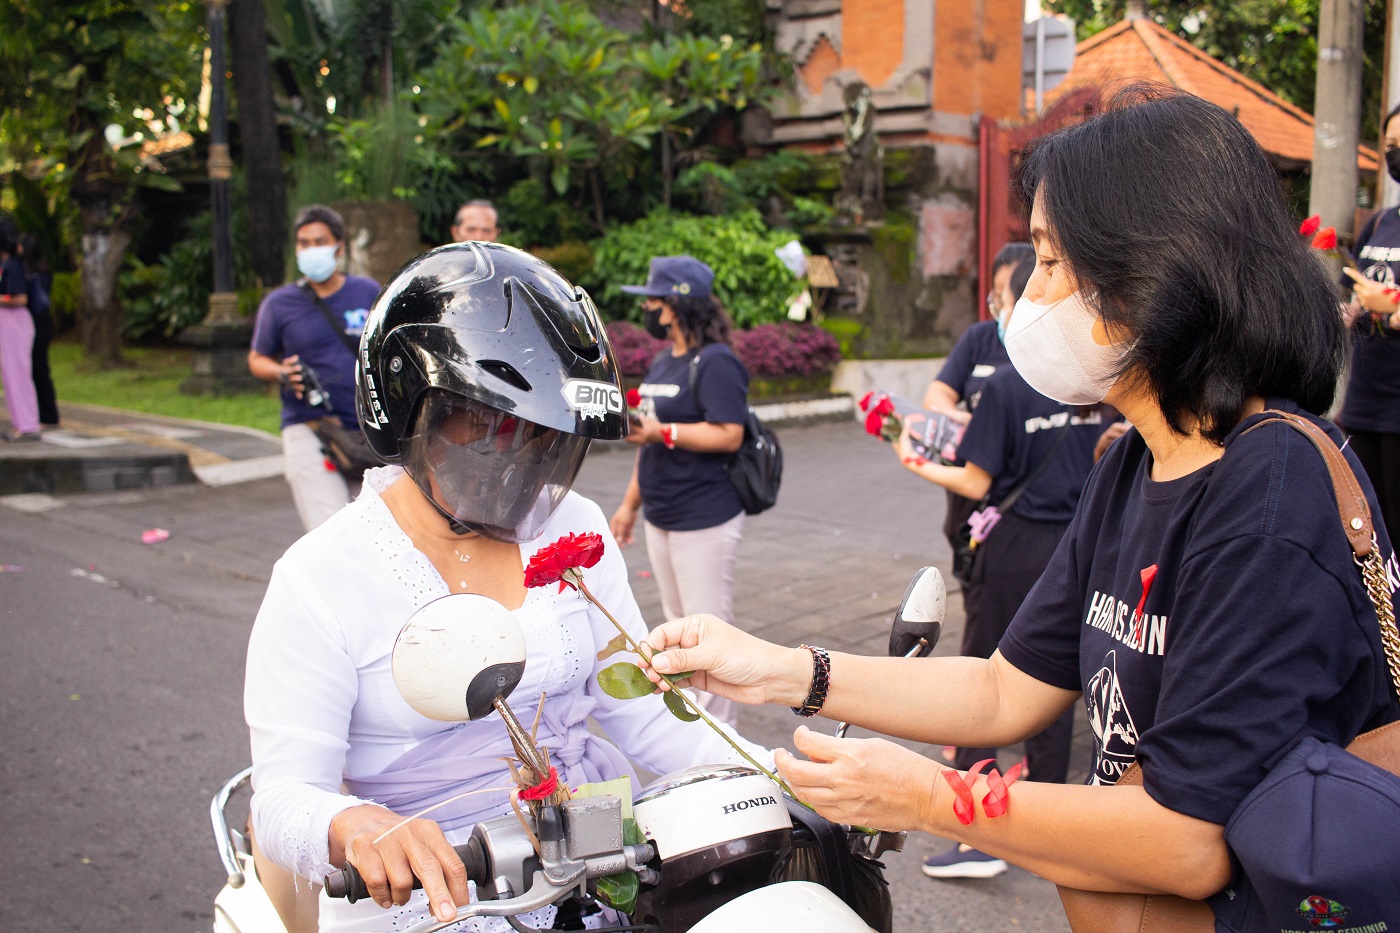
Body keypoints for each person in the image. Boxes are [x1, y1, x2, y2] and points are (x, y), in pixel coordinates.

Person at [636, 88, 1400, 912]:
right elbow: (1005, 689)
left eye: (1050, 262)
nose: (1030, 298)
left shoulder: (1268, 489)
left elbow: (1187, 842)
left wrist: (929, 796)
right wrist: (780, 668)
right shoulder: (1132, 459)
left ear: (1153, 270)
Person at [245, 243, 770, 933]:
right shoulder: (320, 576)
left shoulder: (573, 524)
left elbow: (640, 712)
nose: (520, 459)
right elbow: (282, 797)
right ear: (410, 408)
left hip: (595, 859)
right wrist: (354, 825)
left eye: (544, 438)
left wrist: (774, 777)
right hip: (426, 894)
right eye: (488, 426)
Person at [897, 249, 1101, 879]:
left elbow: (975, 480)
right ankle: (1051, 824)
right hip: (1077, 545)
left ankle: (979, 832)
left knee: (984, 676)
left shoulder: (1008, 388)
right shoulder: (1094, 385)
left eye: (1005, 298)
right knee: (1056, 679)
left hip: (1012, 548)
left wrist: (912, 461)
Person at [608, 256, 749, 726]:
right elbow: (649, 441)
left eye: (652, 300)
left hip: (703, 514)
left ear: (677, 304)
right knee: (678, 625)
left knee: (709, 630)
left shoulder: (716, 362)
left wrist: (663, 432)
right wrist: (629, 505)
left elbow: (729, 433)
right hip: (662, 513)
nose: (646, 308)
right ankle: (693, 724)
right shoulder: (665, 359)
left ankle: (722, 736)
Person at [248, 205, 381, 532]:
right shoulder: (279, 304)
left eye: (319, 241)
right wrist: (282, 373)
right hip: (310, 428)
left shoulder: (367, 292)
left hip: (367, 429)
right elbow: (257, 358)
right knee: (332, 531)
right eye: (304, 243)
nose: (311, 250)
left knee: (379, 528)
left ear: (339, 246)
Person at [1340, 102, 1400, 539]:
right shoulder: (1380, 222)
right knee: (1368, 529)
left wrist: (1391, 309)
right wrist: (1350, 311)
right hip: (1364, 403)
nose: (1395, 153)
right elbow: (1357, 292)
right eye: (1390, 144)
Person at [0, 221, 40, 442]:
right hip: (6, 321)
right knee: (10, 374)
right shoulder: (6, 264)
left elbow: (20, 298)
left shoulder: (13, 266)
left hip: (14, 321)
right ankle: (21, 423)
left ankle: (27, 425)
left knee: (17, 373)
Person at [18, 233, 59, 427]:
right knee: (39, 367)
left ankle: (46, 414)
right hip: (43, 322)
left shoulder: (29, 272)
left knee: (37, 368)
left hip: (34, 321)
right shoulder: (44, 269)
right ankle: (46, 413)